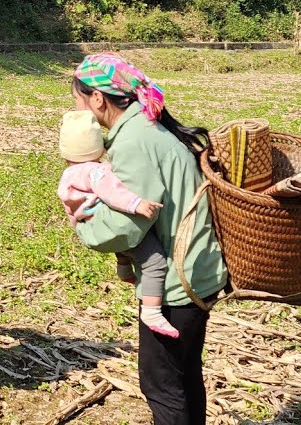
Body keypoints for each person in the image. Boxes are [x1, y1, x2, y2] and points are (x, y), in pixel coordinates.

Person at [70, 53, 227, 425]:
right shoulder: (147, 125)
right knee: (185, 375)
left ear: (98, 99)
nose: (77, 106)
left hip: (178, 281)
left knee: (161, 384)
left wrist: (84, 224)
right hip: (198, 270)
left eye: (78, 97)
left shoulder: (134, 140)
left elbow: (129, 224)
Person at [56, 110, 176, 337]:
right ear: (99, 149)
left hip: (94, 230)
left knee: (121, 245)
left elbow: (71, 211)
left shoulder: (68, 178)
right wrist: (136, 204)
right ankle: (151, 312)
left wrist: (80, 229)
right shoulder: (96, 172)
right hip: (115, 226)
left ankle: (123, 267)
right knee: (155, 262)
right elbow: (112, 192)